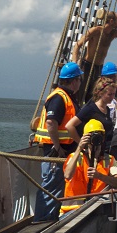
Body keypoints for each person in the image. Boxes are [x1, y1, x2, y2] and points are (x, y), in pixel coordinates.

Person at [32, 61, 83, 222]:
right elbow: (51, 123)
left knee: (56, 187)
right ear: (74, 80)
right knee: (51, 188)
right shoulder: (59, 98)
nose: (80, 83)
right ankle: (41, 222)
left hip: (62, 151)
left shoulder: (66, 96)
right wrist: (57, 146)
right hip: (55, 152)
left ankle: (49, 219)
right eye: (79, 79)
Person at [61, 119, 117, 214]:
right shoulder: (75, 157)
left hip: (96, 209)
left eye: (99, 136)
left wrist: (100, 176)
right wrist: (79, 148)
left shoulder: (108, 160)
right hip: (72, 210)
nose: (95, 139)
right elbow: (67, 175)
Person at [65, 76, 117, 151]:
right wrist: (81, 144)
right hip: (91, 151)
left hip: (104, 151)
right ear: (100, 93)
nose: (112, 97)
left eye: (114, 94)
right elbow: (69, 125)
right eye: (109, 94)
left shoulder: (107, 110)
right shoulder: (90, 108)